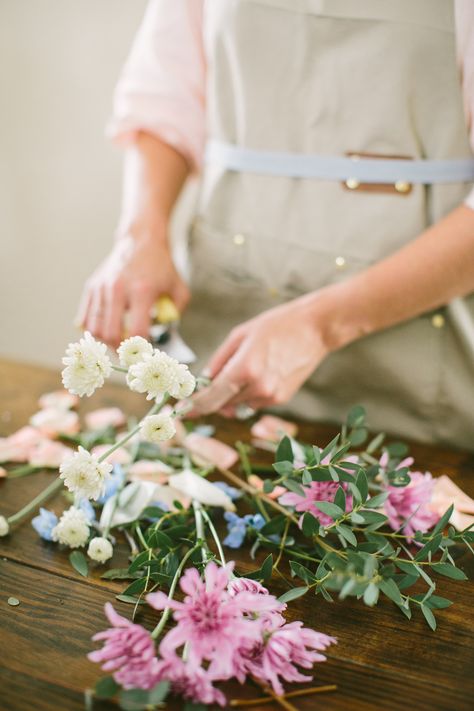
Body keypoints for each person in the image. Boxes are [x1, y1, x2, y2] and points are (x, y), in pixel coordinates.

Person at [78, 0, 474, 449]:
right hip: (224, 304)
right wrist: (141, 236)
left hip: (421, 366)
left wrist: (318, 325)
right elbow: (161, 101)